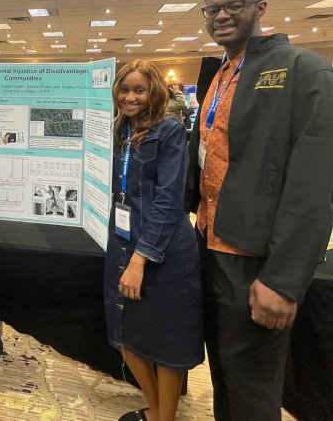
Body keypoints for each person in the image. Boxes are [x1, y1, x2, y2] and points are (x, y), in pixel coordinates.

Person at [186, 0, 333, 421]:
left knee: (253, 389)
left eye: (233, 5)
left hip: (255, 259)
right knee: (224, 371)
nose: (221, 16)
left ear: (259, 6)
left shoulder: (304, 72)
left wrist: (283, 280)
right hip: (210, 245)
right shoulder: (221, 74)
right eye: (211, 9)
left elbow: (315, 187)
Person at [106, 60, 203, 421]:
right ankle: (157, 408)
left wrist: (140, 259)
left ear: (154, 92)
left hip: (163, 249)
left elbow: (169, 199)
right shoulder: (120, 129)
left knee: (166, 340)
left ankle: (164, 416)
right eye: (125, 89)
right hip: (123, 240)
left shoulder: (170, 131)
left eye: (139, 90)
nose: (130, 97)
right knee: (126, 332)